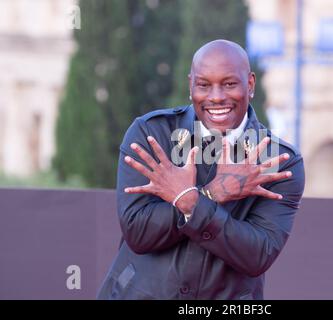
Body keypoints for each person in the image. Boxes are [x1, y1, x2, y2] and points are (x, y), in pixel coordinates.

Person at [97, 39, 305, 300]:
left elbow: (256, 255)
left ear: (250, 85)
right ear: (190, 86)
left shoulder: (278, 160)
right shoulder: (152, 134)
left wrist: (189, 202)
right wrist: (212, 194)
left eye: (229, 84)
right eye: (204, 85)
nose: (216, 97)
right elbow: (138, 233)